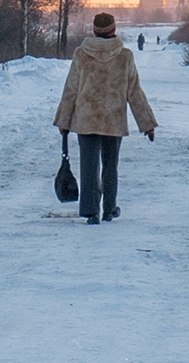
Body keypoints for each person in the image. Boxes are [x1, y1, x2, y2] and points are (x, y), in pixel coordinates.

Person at [54, 12, 157, 224]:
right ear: (113, 29)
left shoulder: (81, 54)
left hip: (86, 119)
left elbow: (71, 89)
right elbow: (134, 92)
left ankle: (91, 211)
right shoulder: (125, 56)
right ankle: (110, 208)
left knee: (89, 166)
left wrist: (64, 121)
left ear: (94, 30)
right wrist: (147, 124)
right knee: (110, 165)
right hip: (113, 119)